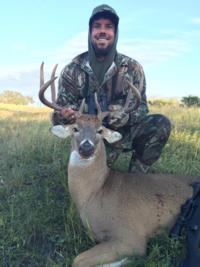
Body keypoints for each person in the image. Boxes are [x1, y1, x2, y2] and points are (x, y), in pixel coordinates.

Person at [52, 4, 171, 173]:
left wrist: (125, 117)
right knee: (89, 181)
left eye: (109, 27)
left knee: (161, 123)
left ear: (115, 33)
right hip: (90, 136)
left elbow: (142, 108)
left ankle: (136, 178)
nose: (103, 31)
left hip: (122, 132)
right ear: (90, 31)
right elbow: (58, 117)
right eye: (97, 26)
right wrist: (64, 115)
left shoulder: (132, 67)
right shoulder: (72, 70)